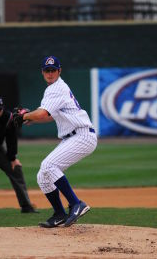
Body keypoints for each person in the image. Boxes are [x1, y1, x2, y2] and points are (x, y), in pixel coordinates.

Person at [14, 56, 97, 227]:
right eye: (47, 70)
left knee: (49, 165)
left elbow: (42, 113)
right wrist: (30, 118)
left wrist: (24, 116)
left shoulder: (56, 88)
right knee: (43, 176)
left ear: (59, 71)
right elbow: (50, 115)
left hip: (82, 135)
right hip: (74, 136)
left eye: (53, 70)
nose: (50, 73)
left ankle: (76, 203)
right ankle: (59, 214)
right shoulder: (55, 88)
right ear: (42, 72)